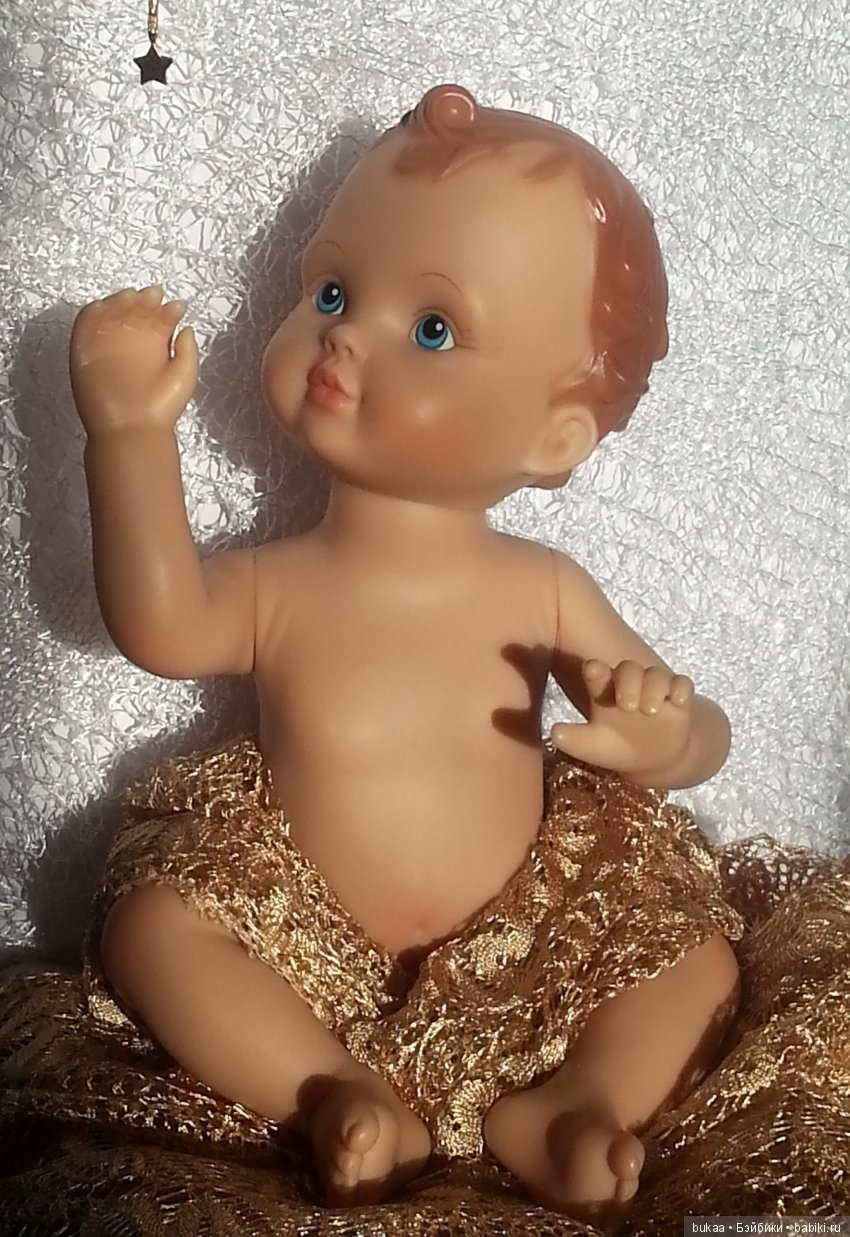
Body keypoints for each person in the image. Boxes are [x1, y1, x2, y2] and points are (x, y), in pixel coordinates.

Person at [69, 84, 741, 1225]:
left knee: (700, 954)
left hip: (532, 951)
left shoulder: (540, 588)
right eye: (330, 290)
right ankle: (331, 1088)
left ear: (555, 434)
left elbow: (700, 731)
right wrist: (128, 436)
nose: (340, 333)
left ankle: (575, 1101)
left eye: (431, 328)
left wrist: (666, 734)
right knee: (148, 927)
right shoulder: (282, 584)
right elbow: (163, 626)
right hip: (305, 946)